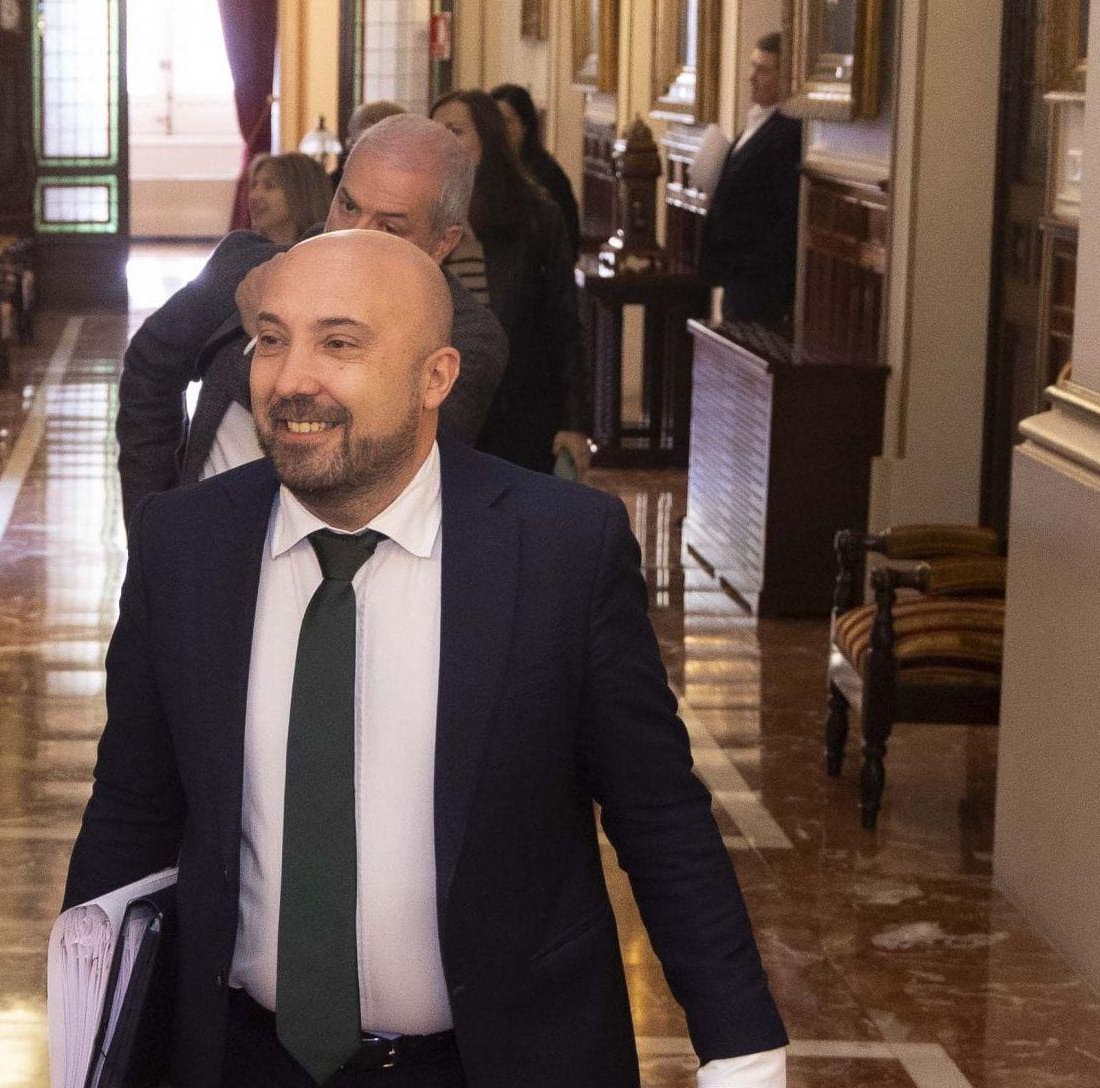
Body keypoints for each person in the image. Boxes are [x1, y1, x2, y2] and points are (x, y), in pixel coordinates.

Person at [66, 229, 789, 1087]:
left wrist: (741, 1046)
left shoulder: (559, 551)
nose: (291, 378)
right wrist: (88, 1037)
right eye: (270, 339)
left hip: (493, 1062)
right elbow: (131, 812)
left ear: (436, 377)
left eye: (339, 343)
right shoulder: (185, 545)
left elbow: (658, 812)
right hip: (241, 1060)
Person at [116, 114, 509, 522]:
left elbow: (383, 452)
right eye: (348, 205)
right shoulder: (247, 266)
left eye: (389, 226)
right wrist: (154, 521)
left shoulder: (465, 335)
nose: (354, 234)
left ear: (443, 241)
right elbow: (149, 366)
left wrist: (274, 334)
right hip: (207, 549)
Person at [430, 90, 590, 476]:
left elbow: (564, 323)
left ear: (488, 139)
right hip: (442, 409)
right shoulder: (422, 217)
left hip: (520, 407)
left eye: (455, 130)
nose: (443, 142)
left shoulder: (536, 216)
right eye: (435, 132)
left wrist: (574, 422)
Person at [699, 33, 802, 325]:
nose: (751, 77)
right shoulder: (758, 120)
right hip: (737, 276)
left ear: (786, 78)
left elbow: (787, 214)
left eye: (763, 70)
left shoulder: (788, 132)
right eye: (752, 66)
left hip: (760, 283)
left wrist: (752, 265)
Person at [489, 83, 581, 255]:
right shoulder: (486, 170)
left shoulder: (547, 174)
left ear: (525, 125)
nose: (500, 129)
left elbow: (567, 238)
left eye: (507, 121)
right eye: (495, 121)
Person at [246, 152, 336, 246]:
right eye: (254, 186)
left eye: (270, 186)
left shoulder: (327, 252)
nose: (254, 196)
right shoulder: (242, 251)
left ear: (301, 193)